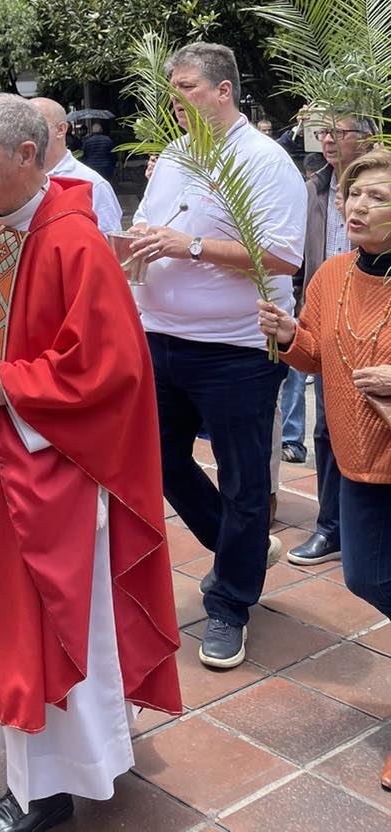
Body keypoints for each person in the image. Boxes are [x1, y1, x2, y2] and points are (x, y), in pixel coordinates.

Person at [0, 95, 180, 832]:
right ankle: (58, 766)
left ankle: (48, 788)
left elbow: (110, 368)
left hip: (57, 475)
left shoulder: (74, 240)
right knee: (16, 626)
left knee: (52, 626)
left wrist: (6, 385)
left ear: (27, 156)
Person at [129, 43, 306, 670]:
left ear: (223, 90)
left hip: (236, 348)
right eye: (171, 89)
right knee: (157, 459)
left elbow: (283, 256)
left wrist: (192, 246)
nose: (175, 100)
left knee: (243, 479)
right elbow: (151, 225)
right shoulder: (176, 156)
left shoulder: (264, 160)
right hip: (160, 338)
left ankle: (230, 602)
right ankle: (243, 550)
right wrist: (138, 244)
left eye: (186, 87)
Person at [257, 145, 391, 797]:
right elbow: (314, 357)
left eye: (377, 196)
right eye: (352, 194)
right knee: (366, 576)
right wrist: (288, 335)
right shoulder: (333, 273)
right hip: (358, 463)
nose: (356, 205)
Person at [285, 112, 375, 567]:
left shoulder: (378, 181)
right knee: (328, 428)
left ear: (366, 137)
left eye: (339, 132)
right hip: (332, 313)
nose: (327, 139)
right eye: (322, 131)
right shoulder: (314, 186)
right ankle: (331, 527)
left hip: (374, 314)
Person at [28, 99, 123, 235]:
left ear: (61, 129)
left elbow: (109, 239)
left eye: (36, 125)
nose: (26, 134)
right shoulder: (17, 180)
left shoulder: (94, 184)